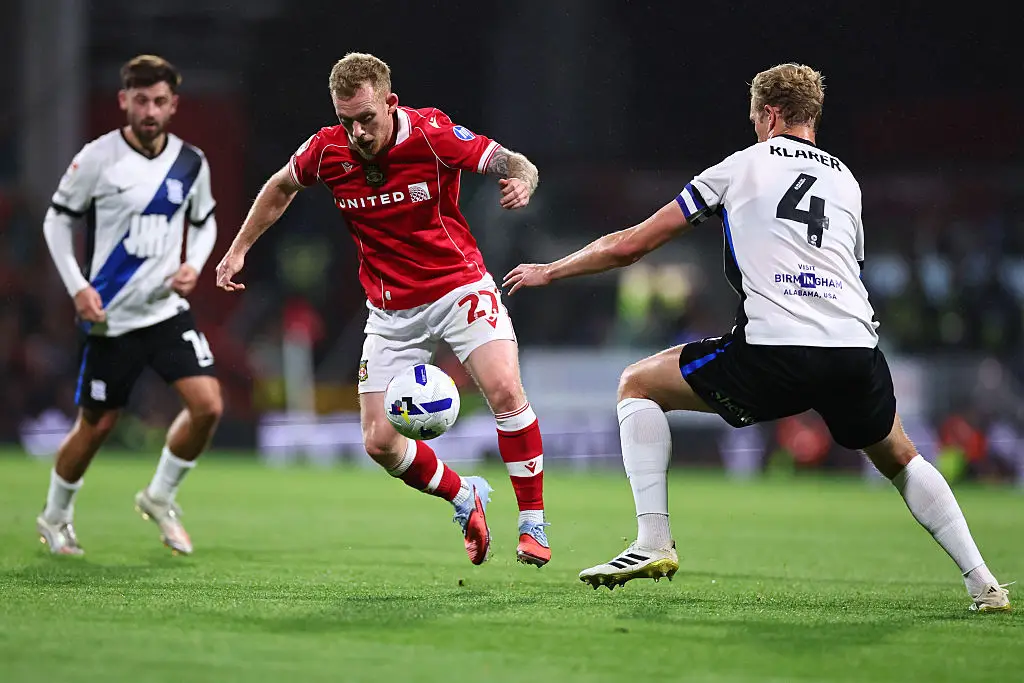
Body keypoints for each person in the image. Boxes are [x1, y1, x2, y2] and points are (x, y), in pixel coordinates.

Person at [503, 63, 1011, 611]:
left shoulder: (739, 168)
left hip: (775, 349)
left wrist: (551, 270)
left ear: (769, 114)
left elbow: (631, 245)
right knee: (901, 456)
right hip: (855, 350)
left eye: (754, 117)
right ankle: (983, 582)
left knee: (638, 385)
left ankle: (653, 540)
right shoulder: (846, 181)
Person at [215, 52, 549, 567]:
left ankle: (533, 523)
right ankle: (465, 497)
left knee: (505, 388)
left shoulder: (431, 134)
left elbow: (510, 161)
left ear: (390, 104)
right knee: (379, 443)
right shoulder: (327, 152)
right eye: (346, 120)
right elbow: (281, 186)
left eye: (366, 119)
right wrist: (239, 248)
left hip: (457, 286)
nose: (357, 133)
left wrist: (521, 179)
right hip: (391, 312)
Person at [38, 55, 222, 556]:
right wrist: (77, 286)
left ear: (173, 105)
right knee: (97, 425)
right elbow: (56, 222)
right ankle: (55, 516)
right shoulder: (97, 158)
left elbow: (204, 221)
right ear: (124, 100)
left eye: (159, 101)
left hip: (165, 310)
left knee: (207, 406)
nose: (149, 110)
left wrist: (194, 263)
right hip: (111, 316)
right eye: (140, 100)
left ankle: (159, 496)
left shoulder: (191, 162)